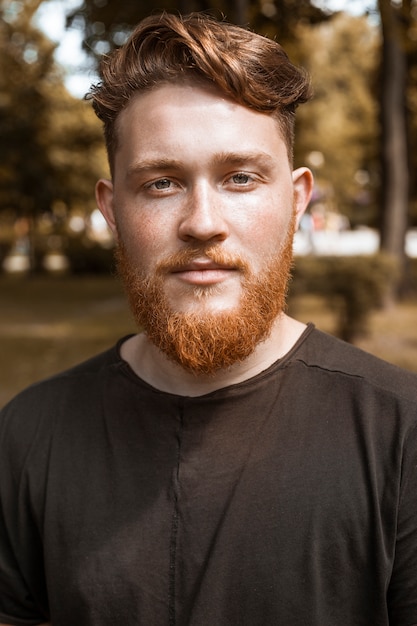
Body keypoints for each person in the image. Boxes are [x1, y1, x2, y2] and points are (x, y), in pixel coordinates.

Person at [1, 12, 417, 626]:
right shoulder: (25, 438)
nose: (202, 222)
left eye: (240, 178)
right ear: (112, 208)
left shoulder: (401, 434)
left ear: (296, 200)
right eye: (163, 183)